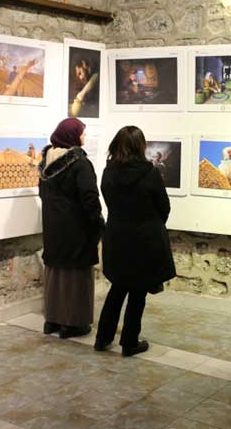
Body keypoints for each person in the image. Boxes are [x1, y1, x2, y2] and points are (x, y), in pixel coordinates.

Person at [95, 126, 176, 357]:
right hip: (144, 239)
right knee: (138, 292)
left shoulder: (109, 172)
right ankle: (129, 342)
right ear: (140, 146)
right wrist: (151, 223)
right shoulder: (149, 173)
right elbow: (164, 206)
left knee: (118, 288)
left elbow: (110, 202)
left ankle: (103, 338)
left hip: (117, 236)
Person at [38, 118, 105, 339]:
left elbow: (43, 195)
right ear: (72, 136)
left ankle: (52, 320)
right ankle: (73, 323)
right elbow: (90, 198)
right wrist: (98, 224)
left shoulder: (46, 163)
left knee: (55, 274)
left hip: (53, 227)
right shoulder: (80, 164)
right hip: (77, 228)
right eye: (82, 133)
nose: (84, 136)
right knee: (76, 277)